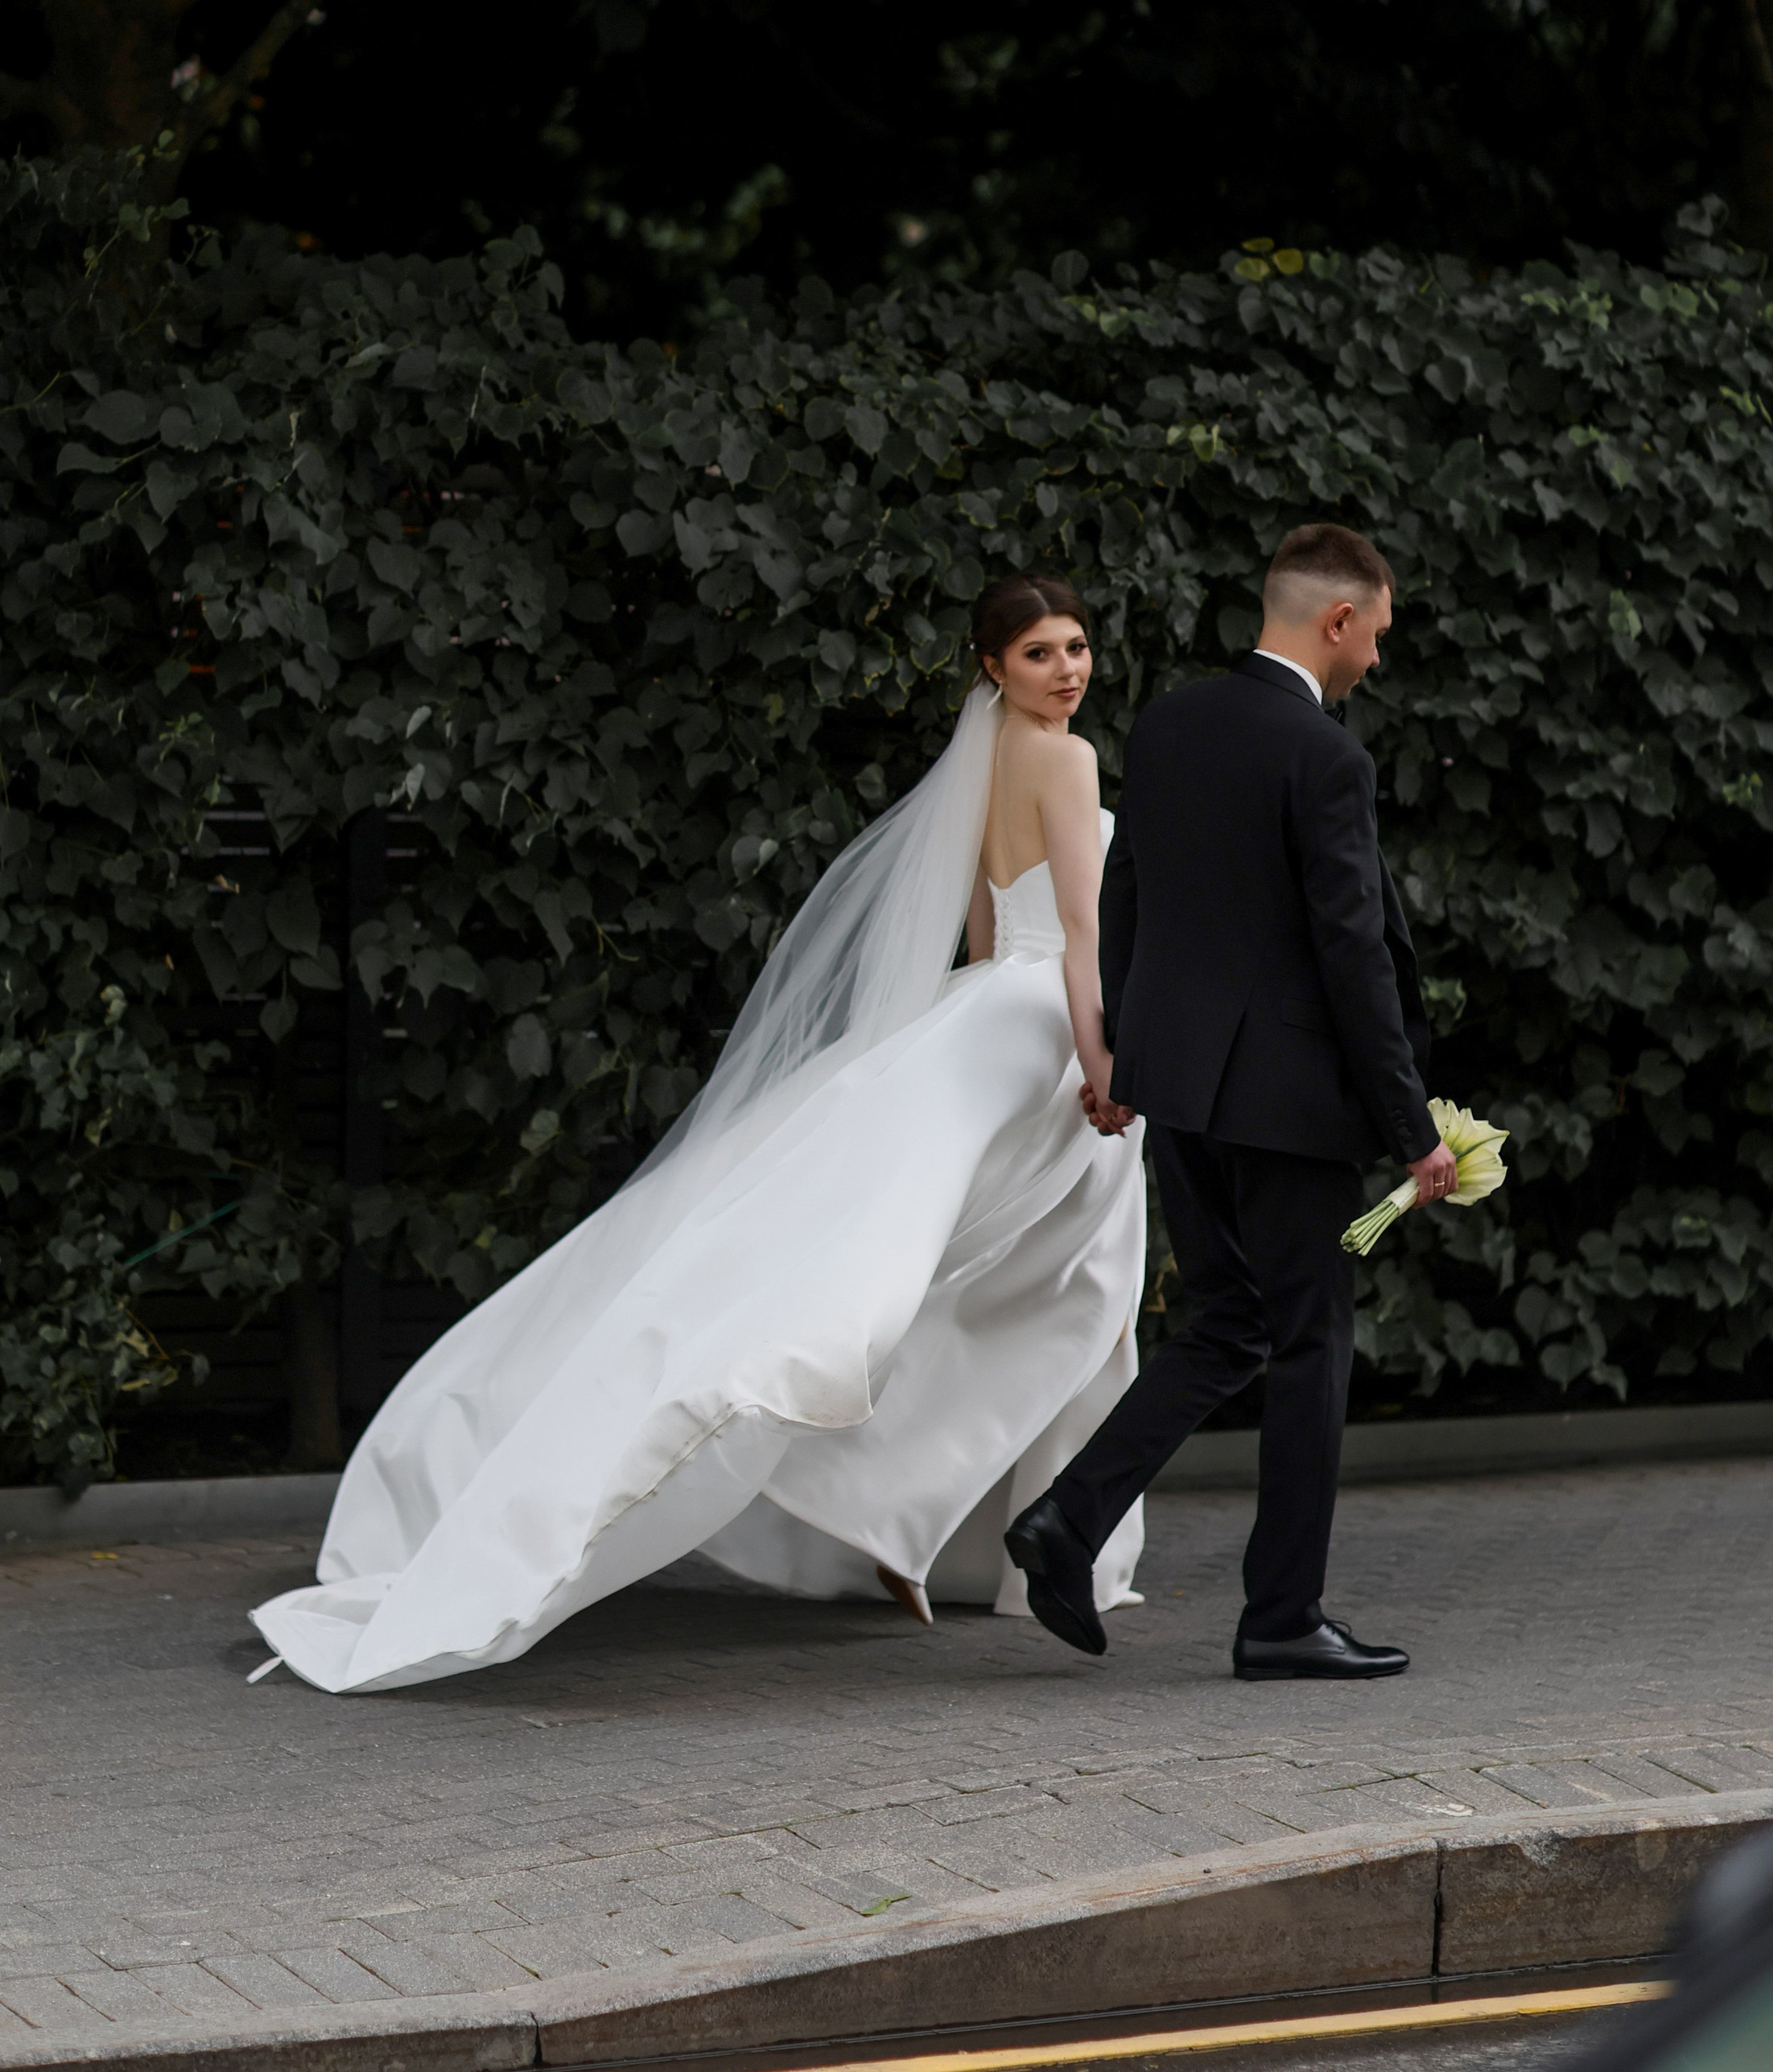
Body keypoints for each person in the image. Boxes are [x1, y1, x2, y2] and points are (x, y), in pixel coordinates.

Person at [250, 574, 1146, 1693]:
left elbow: (977, 920)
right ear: (991, 668)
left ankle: (920, 1528)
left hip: (983, 1014)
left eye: (1076, 648)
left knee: (988, 1275)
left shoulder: (985, 758)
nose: (1067, 670)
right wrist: (1107, 1063)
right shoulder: (1067, 758)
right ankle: (977, 1533)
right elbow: (1078, 932)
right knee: (1051, 1281)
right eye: (1039, 654)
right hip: (1044, 1031)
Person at [1004, 522, 1455, 1683]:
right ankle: (1281, 1617)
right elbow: (1352, 954)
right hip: (1292, 1103)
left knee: (1221, 1326)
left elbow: (1127, 896)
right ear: (1339, 620)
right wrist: (1413, 1131)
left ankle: (1066, 1523)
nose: (1376, 662)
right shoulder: (1327, 760)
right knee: (1310, 1346)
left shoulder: (1168, 724)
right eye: (1378, 638)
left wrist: (1125, 1059)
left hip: (1183, 1088)